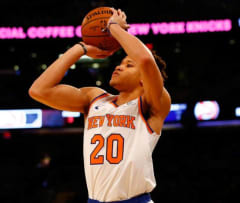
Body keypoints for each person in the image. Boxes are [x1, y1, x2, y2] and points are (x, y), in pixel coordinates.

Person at [29, 8, 171, 203]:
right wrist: (81, 48)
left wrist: (115, 28)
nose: (119, 66)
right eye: (121, 63)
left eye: (129, 65)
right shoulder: (94, 99)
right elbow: (39, 90)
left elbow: (145, 60)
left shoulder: (152, 103)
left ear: (144, 80)